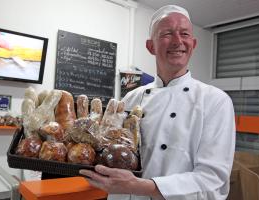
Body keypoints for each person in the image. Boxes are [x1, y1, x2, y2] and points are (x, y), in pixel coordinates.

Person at [79, 4, 236, 200]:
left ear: (193, 44)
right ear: (151, 46)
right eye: (167, 34)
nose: (178, 41)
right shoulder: (131, 98)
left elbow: (213, 179)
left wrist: (141, 187)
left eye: (185, 34)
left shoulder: (215, 101)